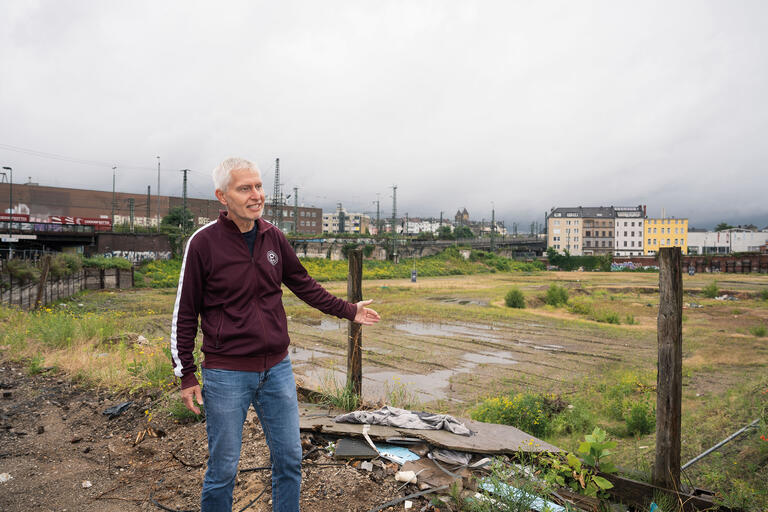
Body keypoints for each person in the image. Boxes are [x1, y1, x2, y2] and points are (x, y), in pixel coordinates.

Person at [170, 157, 380, 511]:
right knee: (223, 468)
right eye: (245, 188)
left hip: (277, 370)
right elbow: (185, 311)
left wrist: (349, 310)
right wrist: (186, 373)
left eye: (258, 186)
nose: (256, 195)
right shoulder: (203, 243)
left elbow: (304, 285)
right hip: (226, 373)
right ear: (223, 196)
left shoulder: (273, 237)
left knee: (290, 460)